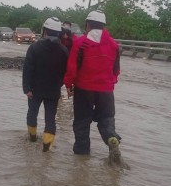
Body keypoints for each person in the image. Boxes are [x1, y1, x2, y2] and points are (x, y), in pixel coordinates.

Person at [63, 11, 122, 164]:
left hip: (84, 89)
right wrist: (109, 84)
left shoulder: (81, 42)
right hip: (106, 91)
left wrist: (68, 85)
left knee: (82, 123)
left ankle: (82, 158)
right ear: (103, 25)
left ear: (88, 24)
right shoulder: (114, 45)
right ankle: (111, 138)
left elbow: (72, 67)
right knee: (106, 120)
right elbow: (116, 70)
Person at [22, 17, 69, 152]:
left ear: (45, 31)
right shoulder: (63, 50)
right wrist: (59, 85)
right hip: (53, 90)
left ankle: (31, 139)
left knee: (32, 113)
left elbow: (27, 70)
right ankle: (46, 149)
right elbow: (65, 72)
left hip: (35, 89)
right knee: (50, 119)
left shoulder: (34, 47)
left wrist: (27, 88)